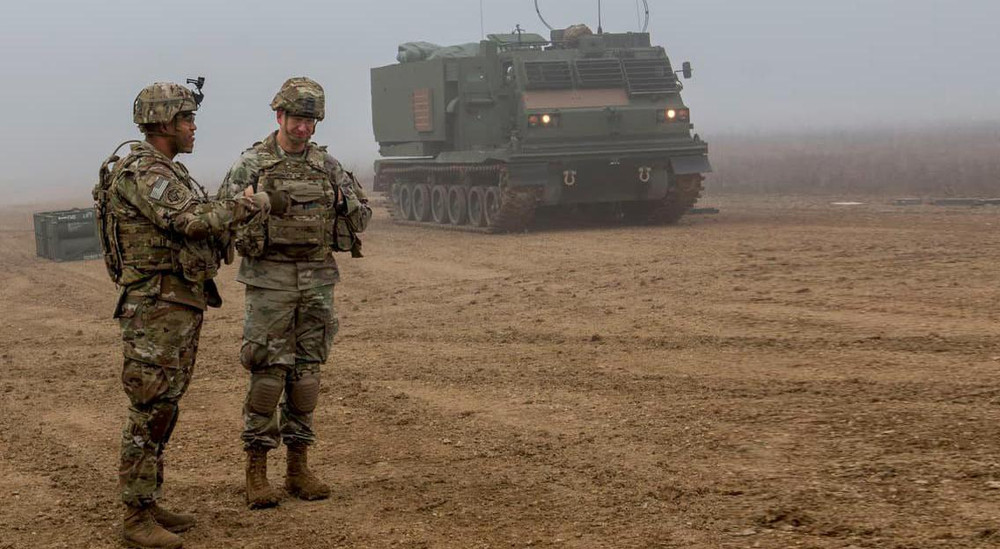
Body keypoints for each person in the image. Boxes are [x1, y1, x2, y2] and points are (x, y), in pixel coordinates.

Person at [94, 81, 269, 549]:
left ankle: (149, 502)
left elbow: (195, 215)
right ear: (164, 123)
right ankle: (135, 516)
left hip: (174, 303)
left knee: (164, 408)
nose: (193, 128)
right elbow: (191, 220)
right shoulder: (145, 172)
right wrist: (248, 204)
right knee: (149, 409)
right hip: (155, 307)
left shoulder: (166, 170)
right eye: (187, 119)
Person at [217, 77, 371, 509]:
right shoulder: (252, 164)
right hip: (270, 282)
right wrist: (249, 206)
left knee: (306, 376)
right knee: (267, 375)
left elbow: (361, 218)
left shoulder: (328, 166)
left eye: (311, 120)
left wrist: (342, 201)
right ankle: (256, 472)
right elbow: (221, 216)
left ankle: (298, 468)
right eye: (297, 119)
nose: (303, 128)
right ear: (279, 115)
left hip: (317, 280)